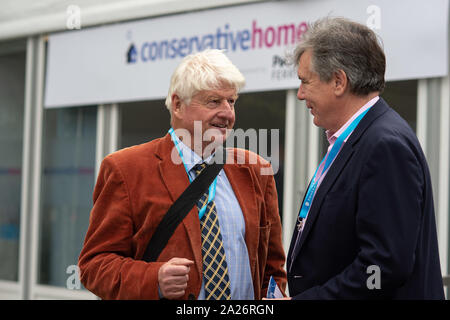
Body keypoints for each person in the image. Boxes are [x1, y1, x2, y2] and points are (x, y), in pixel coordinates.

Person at [78, 49, 287, 300]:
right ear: (178, 105)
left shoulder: (255, 171)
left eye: (231, 101)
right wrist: (153, 279)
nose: (228, 113)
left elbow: (272, 267)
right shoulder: (126, 169)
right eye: (214, 101)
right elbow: (93, 265)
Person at [286, 17, 444, 299]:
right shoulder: (357, 138)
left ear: (338, 81)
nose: (300, 95)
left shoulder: (384, 145)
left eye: (305, 82)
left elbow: (382, 268)